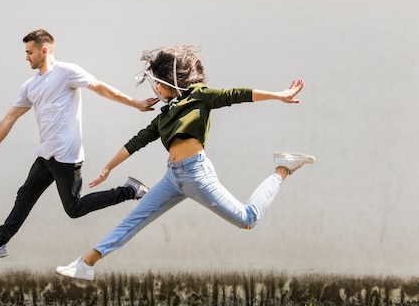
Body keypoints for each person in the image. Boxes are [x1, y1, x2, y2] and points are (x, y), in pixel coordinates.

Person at [55, 45, 315, 280]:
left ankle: (282, 169)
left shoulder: (198, 97)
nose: (156, 88)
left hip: (196, 173)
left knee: (248, 219)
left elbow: (235, 94)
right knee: (134, 220)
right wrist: (108, 167)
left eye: (158, 83)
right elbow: (138, 140)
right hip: (173, 177)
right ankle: (85, 263)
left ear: (169, 81)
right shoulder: (165, 115)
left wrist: (278, 95)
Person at [0, 29, 159, 261]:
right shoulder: (30, 86)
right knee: (25, 195)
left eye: (29, 52)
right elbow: (9, 118)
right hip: (47, 155)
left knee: (74, 208)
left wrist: (135, 103)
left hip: (67, 156)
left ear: (44, 50)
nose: (26, 57)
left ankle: (130, 190)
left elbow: (99, 87)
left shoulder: (67, 72)